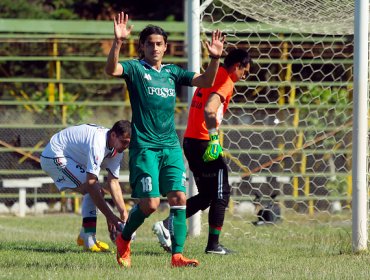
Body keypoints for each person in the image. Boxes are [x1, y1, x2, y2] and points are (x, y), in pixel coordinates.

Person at [105, 11, 225, 268]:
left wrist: (215, 58)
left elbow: (206, 80)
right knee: (150, 203)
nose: (155, 48)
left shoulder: (173, 72)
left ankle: (177, 256)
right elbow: (111, 69)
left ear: (166, 47)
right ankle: (124, 239)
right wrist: (117, 42)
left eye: (159, 44)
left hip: (170, 146)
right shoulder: (136, 69)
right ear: (142, 46)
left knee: (180, 199)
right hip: (145, 147)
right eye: (150, 43)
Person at [152, 48, 251, 255]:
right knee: (222, 192)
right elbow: (209, 109)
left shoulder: (212, 75)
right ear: (237, 66)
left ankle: (167, 224)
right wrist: (214, 138)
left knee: (207, 195)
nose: (245, 77)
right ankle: (213, 246)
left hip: (191, 141)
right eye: (245, 71)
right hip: (204, 142)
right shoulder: (225, 80)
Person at [40, 120, 131, 252]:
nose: (126, 146)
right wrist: (112, 218)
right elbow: (91, 184)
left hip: (71, 157)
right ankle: (88, 238)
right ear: (113, 136)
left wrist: (123, 213)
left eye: (128, 143)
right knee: (94, 189)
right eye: (124, 142)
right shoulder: (98, 144)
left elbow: (113, 182)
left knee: (96, 190)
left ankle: (85, 236)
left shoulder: (118, 149)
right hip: (54, 155)